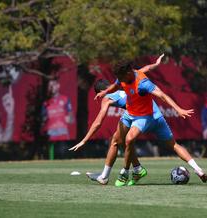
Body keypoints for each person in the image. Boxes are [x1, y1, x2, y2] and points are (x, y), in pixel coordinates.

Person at [96, 54, 207, 186]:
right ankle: (198, 170)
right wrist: (105, 92)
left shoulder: (143, 83)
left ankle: (125, 173)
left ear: (128, 73)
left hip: (144, 117)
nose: (119, 80)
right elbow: (117, 84)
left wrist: (178, 109)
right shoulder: (124, 77)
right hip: (153, 116)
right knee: (172, 144)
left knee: (129, 139)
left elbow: (162, 95)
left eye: (121, 77)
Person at [69, 54, 165, 185]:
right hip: (143, 110)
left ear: (100, 92)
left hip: (144, 114)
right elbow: (145, 69)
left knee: (118, 141)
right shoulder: (126, 80)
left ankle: (109, 175)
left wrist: (84, 140)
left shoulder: (107, 97)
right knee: (120, 140)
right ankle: (136, 168)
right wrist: (157, 64)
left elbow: (98, 122)